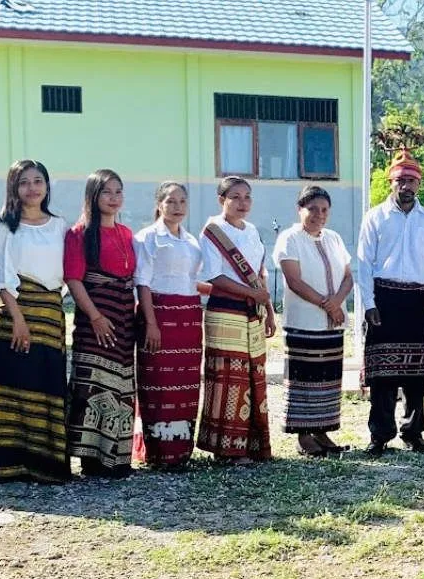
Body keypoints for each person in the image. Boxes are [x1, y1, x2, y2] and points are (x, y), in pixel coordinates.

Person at [0, 159, 70, 483]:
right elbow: (0, 276)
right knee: (11, 386)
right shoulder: (3, 223)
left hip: (50, 313)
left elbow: (65, 273)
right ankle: (7, 465)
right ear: (13, 187)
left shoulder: (59, 225)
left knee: (46, 384)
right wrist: (18, 319)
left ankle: (45, 465)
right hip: (13, 313)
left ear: (47, 186)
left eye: (38, 181)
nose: (32, 188)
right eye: (24, 182)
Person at [355, 149, 424, 456]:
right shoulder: (375, 217)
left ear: (419, 184)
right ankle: (380, 434)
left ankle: (413, 432)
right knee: (382, 373)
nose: (406, 186)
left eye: (412, 181)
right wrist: (368, 303)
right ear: (391, 182)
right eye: (400, 180)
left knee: (416, 373)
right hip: (384, 299)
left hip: (417, 300)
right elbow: (363, 264)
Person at [197, 176, 276, 465]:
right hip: (225, 311)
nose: (242, 203)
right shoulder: (213, 231)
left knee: (254, 375)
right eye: (235, 197)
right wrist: (254, 294)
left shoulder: (253, 230)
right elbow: (214, 276)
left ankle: (253, 444)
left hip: (253, 311)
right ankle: (226, 448)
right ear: (222, 200)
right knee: (230, 378)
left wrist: (267, 309)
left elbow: (260, 272)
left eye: (247, 197)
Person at [65, 169, 137, 478]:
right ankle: (90, 458)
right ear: (93, 196)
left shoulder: (126, 233)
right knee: (93, 384)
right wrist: (95, 316)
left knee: (121, 383)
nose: (113, 198)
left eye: (118, 191)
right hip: (95, 317)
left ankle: (117, 457)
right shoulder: (78, 233)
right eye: (106, 192)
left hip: (124, 317)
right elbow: (73, 279)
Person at [275, 185, 353, 457]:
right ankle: (302, 434)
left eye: (324, 210)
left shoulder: (333, 238)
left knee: (328, 378)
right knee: (303, 378)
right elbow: (294, 280)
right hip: (304, 321)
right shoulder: (290, 238)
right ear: (300, 210)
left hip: (332, 322)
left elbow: (348, 276)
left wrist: (335, 303)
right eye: (313, 209)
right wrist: (326, 303)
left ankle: (322, 430)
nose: (319, 215)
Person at [132, 181, 205, 468]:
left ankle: (181, 450)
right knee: (158, 382)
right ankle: (158, 450)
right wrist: (151, 322)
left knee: (185, 383)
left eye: (183, 202)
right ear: (159, 204)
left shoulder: (192, 241)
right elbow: (143, 283)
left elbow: (190, 280)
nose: (177, 208)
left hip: (188, 318)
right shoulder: (147, 238)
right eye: (171, 201)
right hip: (160, 315)